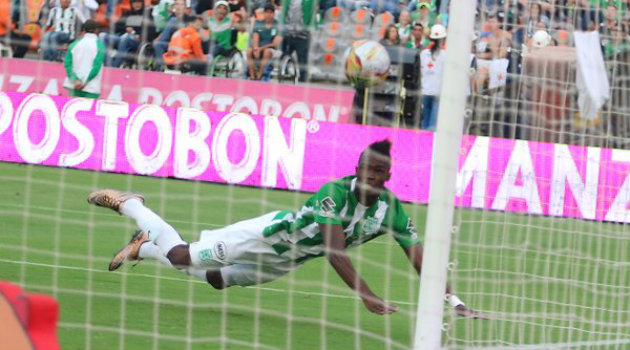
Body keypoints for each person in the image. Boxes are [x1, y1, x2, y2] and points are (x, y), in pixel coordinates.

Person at [87, 140, 481, 317]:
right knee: (181, 255)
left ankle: (142, 247)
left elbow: (419, 258)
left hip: (285, 261)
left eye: (382, 173)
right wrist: (367, 295)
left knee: (215, 280)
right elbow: (334, 249)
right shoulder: (334, 193)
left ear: (389, 176)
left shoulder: (392, 209)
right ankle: (131, 205)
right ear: (357, 170)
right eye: (369, 170)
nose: (375, 177)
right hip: (265, 237)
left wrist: (455, 301)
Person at [99, 0, 156, 67]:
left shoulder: (147, 15)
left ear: (142, 3)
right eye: (135, 2)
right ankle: (107, 63)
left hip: (137, 40)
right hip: (123, 36)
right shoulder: (127, 14)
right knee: (102, 36)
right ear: (131, 3)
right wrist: (126, 29)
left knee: (125, 38)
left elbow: (151, 32)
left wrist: (139, 35)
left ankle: (114, 66)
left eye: (139, 2)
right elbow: (116, 26)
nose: (137, 4)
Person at [63, 19, 105, 98]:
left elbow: (67, 64)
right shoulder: (99, 46)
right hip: (91, 87)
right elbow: (96, 67)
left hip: (75, 86)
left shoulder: (74, 44)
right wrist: (84, 82)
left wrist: (75, 80)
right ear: (96, 30)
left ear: (84, 30)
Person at [278, 0, 319, 82]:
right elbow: (283, 14)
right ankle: (284, 74)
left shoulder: (309, 2)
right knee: (284, 54)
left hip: (302, 36)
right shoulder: (287, 1)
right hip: (288, 33)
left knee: (302, 59)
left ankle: (303, 79)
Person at [420, 24, 446, 130]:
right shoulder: (445, 55)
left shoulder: (423, 53)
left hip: (425, 89)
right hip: (438, 91)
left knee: (425, 119)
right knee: (432, 123)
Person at [247, 3, 282, 80]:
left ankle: (260, 75)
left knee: (267, 52)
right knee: (249, 51)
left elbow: (275, 44)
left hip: (273, 50)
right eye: (266, 12)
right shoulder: (258, 23)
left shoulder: (278, 25)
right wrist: (256, 48)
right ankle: (252, 76)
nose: (268, 14)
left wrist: (261, 49)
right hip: (259, 48)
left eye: (271, 12)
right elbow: (255, 37)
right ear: (264, 13)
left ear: (273, 13)